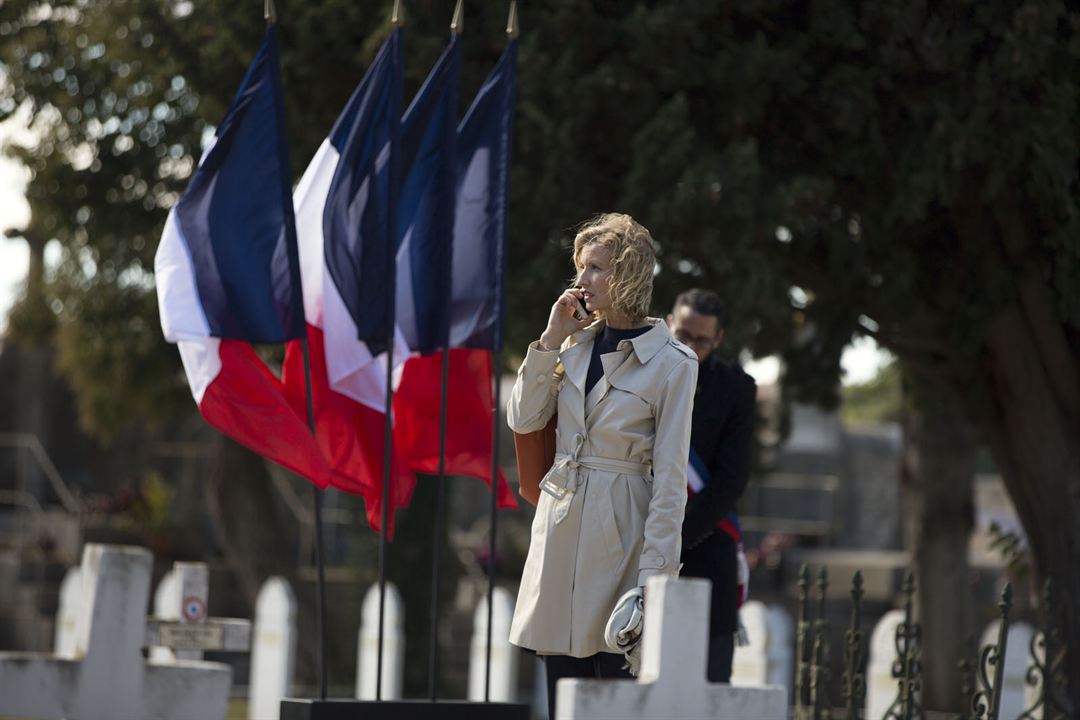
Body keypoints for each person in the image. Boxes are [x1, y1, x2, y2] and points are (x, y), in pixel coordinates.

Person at [506, 213, 698, 717]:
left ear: (629, 273)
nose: (582, 280)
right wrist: (549, 339)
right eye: (581, 268)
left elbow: (671, 480)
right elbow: (523, 418)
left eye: (595, 268)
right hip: (561, 522)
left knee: (616, 692)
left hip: (623, 531)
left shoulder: (674, 364)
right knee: (561, 695)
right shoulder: (570, 346)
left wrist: (655, 578)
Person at [667, 288, 757, 683]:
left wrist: (672, 538)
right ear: (669, 322)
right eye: (682, 334)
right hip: (636, 541)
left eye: (701, 339)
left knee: (708, 678)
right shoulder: (640, 375)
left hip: (704, 541)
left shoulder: (736, 388)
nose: (689, 345)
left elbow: (731, 477)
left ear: (718, 339)